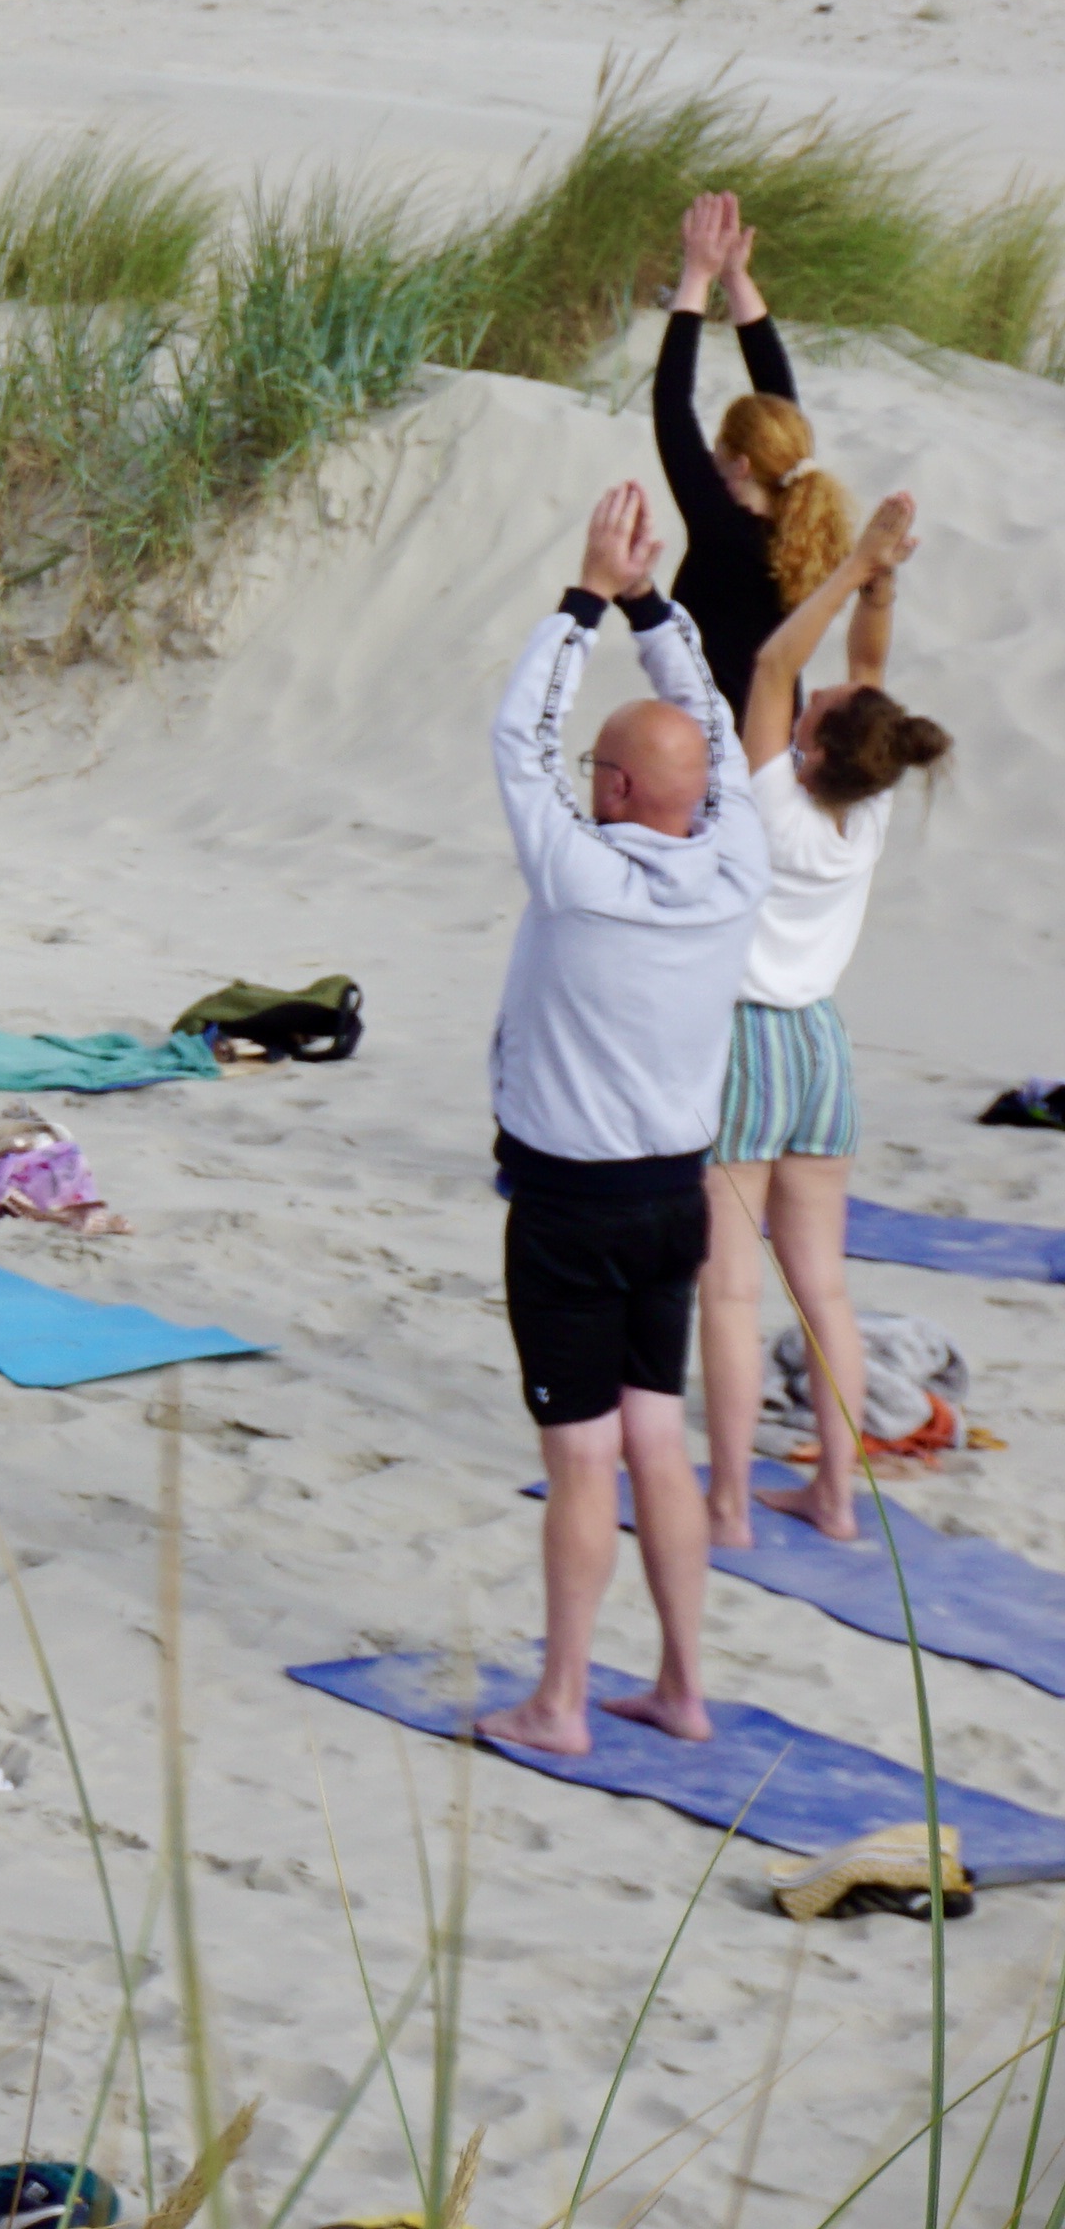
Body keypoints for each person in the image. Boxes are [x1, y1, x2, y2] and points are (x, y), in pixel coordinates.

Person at [471, 485, 770, 1757]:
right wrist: (650, 606)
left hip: (572, 1205)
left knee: (584, 1449)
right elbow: (708, 723)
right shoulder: (737, 853)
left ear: (612, 788)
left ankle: (563, 1701)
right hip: (673, 1198)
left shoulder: (580, 871)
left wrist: (586, 599)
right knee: (659, 1427)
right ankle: (685, 1687)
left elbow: (514, 735)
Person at [709, 491, 935, 1552]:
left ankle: (725, 1503)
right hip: (822, 1048)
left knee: (732, 1288)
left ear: (814, 736)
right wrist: (881, 580)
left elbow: (766, 664)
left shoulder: (773, 802)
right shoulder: (868, 799)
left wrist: (850, 569)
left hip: (751, 1040)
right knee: (826, 1289)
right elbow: (868, 673)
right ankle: (838, 1495)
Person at [656, 191, 852, 678]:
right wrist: (735, 279)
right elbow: (778, 397)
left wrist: (697, 276)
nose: (709, 458)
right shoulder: (798, 526)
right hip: (777, 736)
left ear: (741, 465)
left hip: (723, 744)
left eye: (718, 451)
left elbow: (671, 406)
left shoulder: (723, 531)